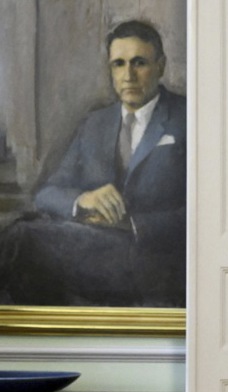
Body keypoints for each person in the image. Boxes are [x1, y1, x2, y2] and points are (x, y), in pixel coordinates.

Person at [0, 20, 186, 308]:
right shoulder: (95, 124)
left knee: (21, 240)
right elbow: (46, 194)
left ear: (160, 66)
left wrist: (134, 224)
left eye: (139, 63)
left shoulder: (188, 118)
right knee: (20, 237)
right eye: (118, 64)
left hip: (155, 258)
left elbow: (208, 213)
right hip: (94, 251)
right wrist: (82, 200)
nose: (128, 76)